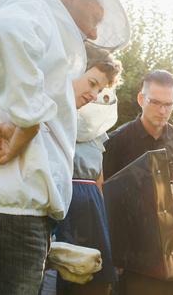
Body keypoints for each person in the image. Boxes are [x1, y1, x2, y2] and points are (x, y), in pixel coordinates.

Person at [0, 0, 129, 293]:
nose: (93, 33)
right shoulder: (32, 5)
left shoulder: (27, 9)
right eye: (95, 18)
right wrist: (27, 124)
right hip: (5, 212)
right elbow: (7, 32)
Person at [102, 70, 173, 292]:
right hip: (132, 252)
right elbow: (107, 201)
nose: (163, 111)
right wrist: (116, 253)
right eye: (156, 103)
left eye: (168, 104)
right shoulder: (116, 141)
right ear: (141, 99)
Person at [53, 44, 122, 294]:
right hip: (64, 209)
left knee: (96, 284)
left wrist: (109, 233)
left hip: (92, 210)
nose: (94, 94)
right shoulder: (52, 116)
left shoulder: (96, 133)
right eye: (92, 83)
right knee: (63, 281)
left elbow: (100, 183)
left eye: (100, 89)